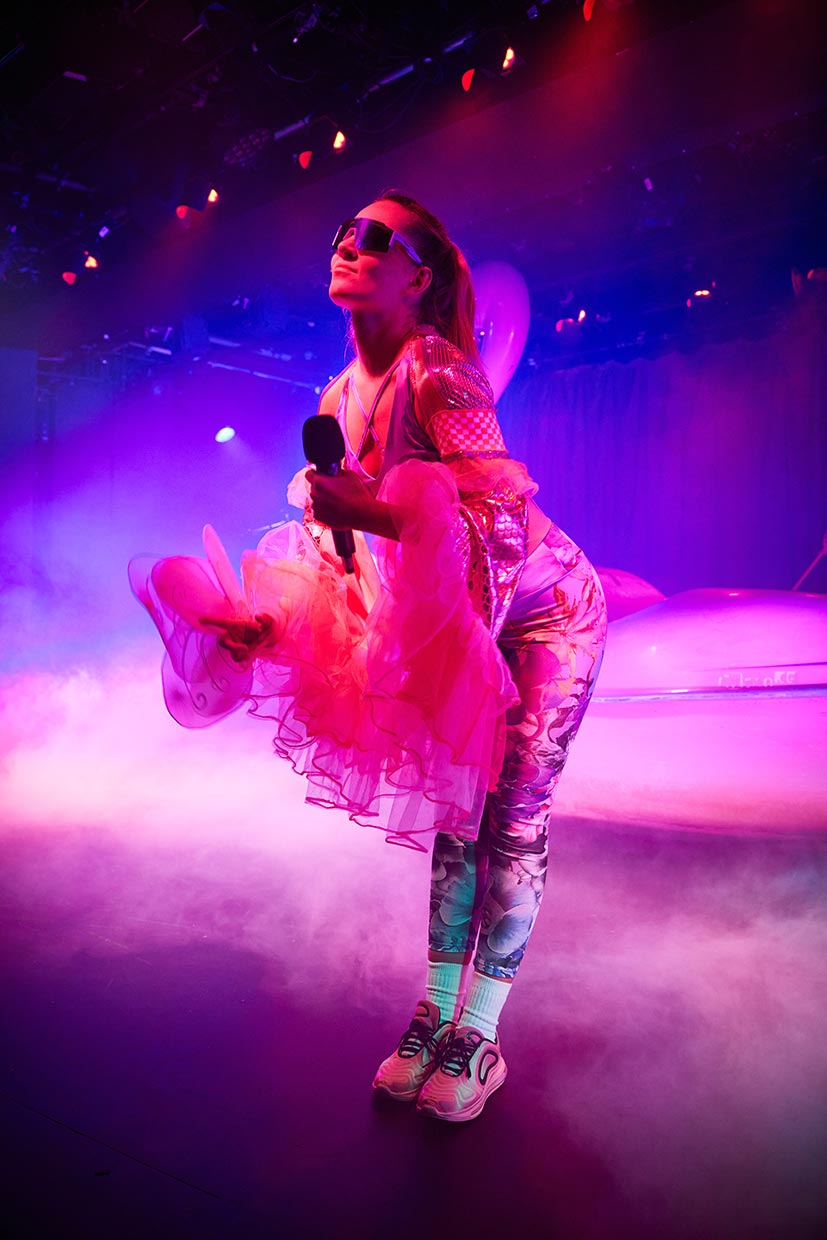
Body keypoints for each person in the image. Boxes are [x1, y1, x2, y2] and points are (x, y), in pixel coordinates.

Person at [129, 190, 607, 1124]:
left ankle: (478, 1034)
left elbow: (498, 520)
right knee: (456, 818)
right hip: (455, 617)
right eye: (344, 231)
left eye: (375, 236)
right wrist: (272, 622)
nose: (350, 243)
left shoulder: (440, 372)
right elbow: (339, 552)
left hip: (544, 616)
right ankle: (435, 1014)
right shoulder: (338, 399)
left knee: (510, 818)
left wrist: (379, 515)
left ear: (417, 278)